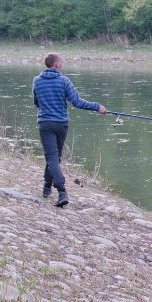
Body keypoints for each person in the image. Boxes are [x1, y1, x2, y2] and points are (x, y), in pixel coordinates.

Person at [32, 52, 106, 207]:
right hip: (61, 124)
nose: (62, 64)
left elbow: (36, 102)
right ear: (56, 65)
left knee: (52, 157)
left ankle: (47, 188)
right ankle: (61, 191)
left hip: (45, 123)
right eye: (62, 62)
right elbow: (77, 102)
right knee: (54, 158)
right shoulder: (64, 81)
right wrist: (97, 107)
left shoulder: (37, 81)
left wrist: (47, 108)